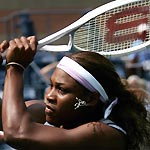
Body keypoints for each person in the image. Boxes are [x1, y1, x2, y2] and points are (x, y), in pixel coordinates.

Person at [0, 36, 149, 150]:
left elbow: (17, 132)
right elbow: (7, 119)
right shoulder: (39, 110)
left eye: (62, 90)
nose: (49, 96)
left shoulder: (104, 135)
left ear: (90, 98)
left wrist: (15, 67)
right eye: (51, 85)